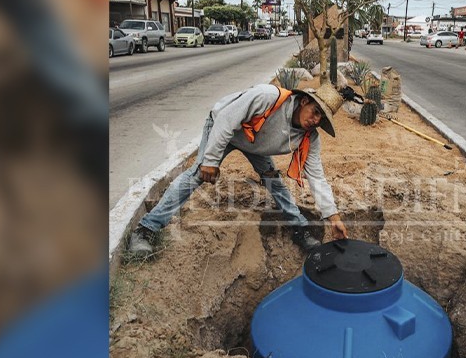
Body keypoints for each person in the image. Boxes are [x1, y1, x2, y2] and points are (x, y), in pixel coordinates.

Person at [128, 83, 350, 257]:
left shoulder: (309, 137)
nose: (315, 120)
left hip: (255, 144)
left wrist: (334, 217)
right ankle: (145, 229)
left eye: (321, 119)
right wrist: (211, 161)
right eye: (315, 112)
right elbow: (226, 119)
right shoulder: (268, 97)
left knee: (274, 182)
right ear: (304, 101)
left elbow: (317, 177)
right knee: (196, 175)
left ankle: (300, 229)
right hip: (225, 130)